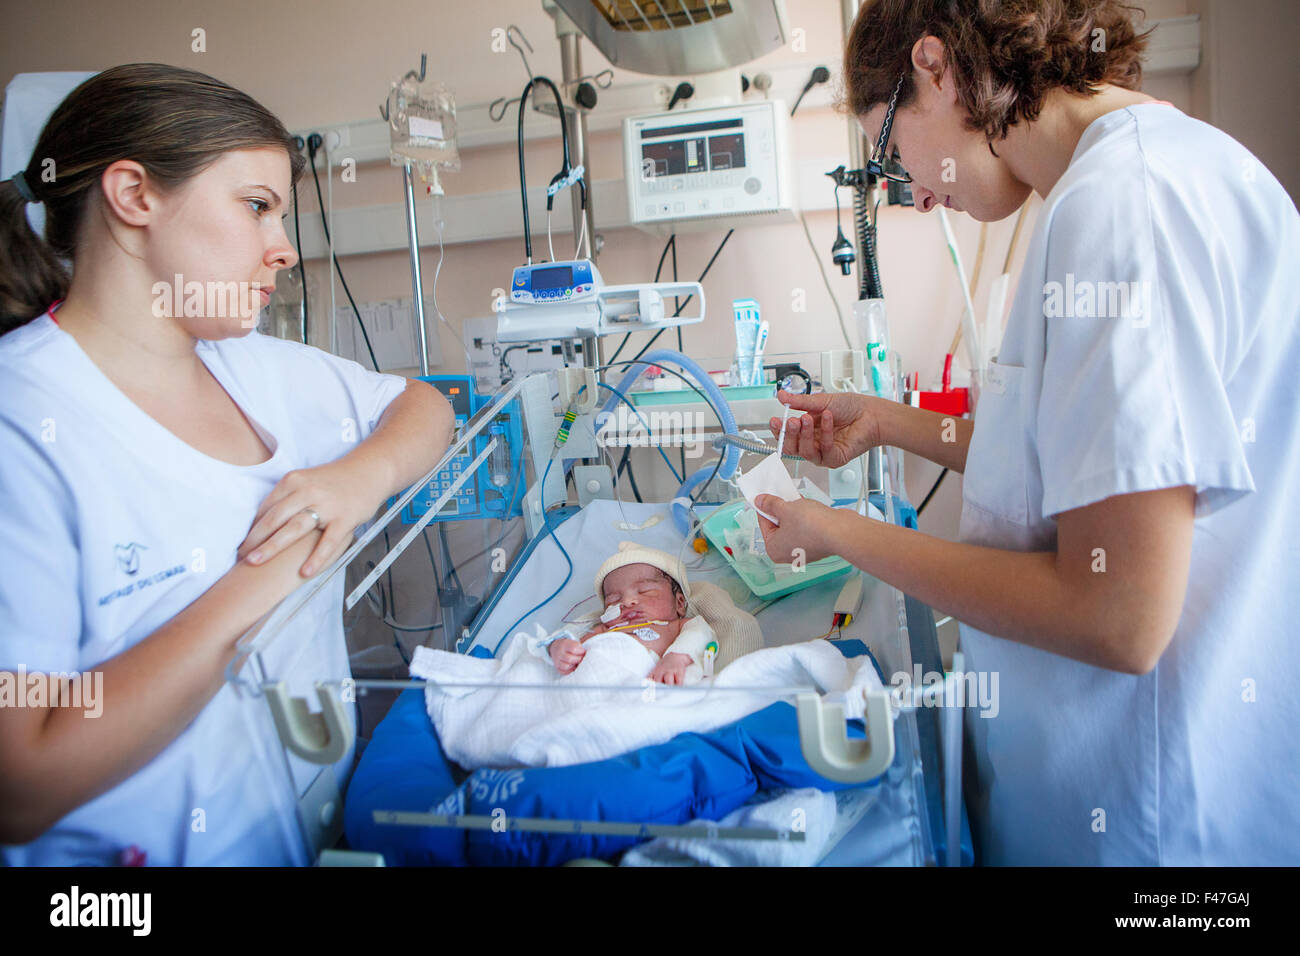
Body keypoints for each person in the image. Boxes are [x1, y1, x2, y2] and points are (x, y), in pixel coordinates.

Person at [755, 0, 1300, 865]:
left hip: (1151, 832)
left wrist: (834, 533)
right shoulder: (1112, 186)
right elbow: (1079, 466)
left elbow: (1118, 612)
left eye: (894, 152)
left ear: (935, 67)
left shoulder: (1126, 210)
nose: (920, 190)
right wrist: (893, 425)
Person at [0, 64, 455, 865]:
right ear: (134, 196)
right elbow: (21, 783)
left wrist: (360, 479)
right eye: (256, 208)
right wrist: (278, 570)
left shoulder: (259, 368)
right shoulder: (25, 421)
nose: (282, 251)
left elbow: (425, 408)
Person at [536, 544, 714, 685]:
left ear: (680, 603)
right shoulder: (604, 630)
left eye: (645, 591)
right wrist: (558, 648)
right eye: (614, 599)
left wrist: (676, 658)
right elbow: (575, 644)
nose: (627, 602)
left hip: (646, 685)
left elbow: (700, 635)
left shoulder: (677, 626)